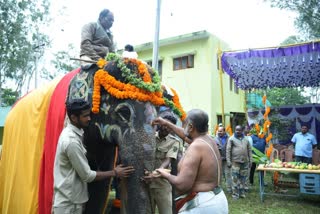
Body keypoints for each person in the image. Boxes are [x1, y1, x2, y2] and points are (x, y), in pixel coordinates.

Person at [52, 99, 134, 214]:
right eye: (85, 116)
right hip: (68, 204)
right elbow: (87, 176)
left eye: (89, 115)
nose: (89, 119)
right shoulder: (71, 142)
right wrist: (114, 172)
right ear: (74, 118)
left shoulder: (76, 134)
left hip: (74, 200)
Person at [152, 109, 228, 213]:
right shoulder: (209, 140)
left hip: (203, 204)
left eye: (184, 124)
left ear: (191, 127)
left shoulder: (195, 147)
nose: (183, 127)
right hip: (217, 199)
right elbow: (185, 135)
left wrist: (163, 173)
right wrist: (166, 123)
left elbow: (182, 185)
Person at [148, 111, 182, 214]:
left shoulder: (174, 142)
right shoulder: (149, 137)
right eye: (164, 124)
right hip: (146, 183)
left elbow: (168, 160)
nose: (166, 128)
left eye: (169, 126)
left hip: (162, 184)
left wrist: (155, 173)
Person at [226, 125, 252, 199]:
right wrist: (228, 161)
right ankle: (235, 194)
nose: (238, 131)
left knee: (243, 178)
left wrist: (250, 160)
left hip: (245, 162)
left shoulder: (246, 139)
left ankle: (241, 193)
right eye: (236, 130)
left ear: (242, 131)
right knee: (235, 179)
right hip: (235, 162)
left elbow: (249, 150)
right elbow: (228, 150)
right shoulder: (231, 139)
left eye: (239, 130)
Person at [214, 126, 232, 193]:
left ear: (224, 131)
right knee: (219, 175)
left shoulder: (229, 139)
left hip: (227, 160)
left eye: (221, 131)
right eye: (218, 131)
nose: (219, 132)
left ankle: (229, 189)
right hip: (219, 160)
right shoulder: (215, 139)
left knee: (228, 175)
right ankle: (219, 189)